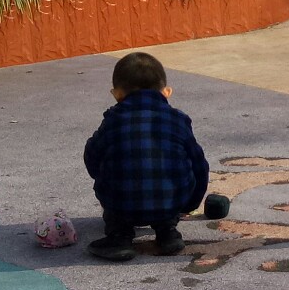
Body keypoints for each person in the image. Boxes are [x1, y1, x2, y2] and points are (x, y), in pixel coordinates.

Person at [83, 51, 210, 262]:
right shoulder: (178, 120)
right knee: (170, 180)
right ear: (166, 92)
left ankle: (119, 237)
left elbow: (92, 157)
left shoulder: (113, 120)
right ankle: (167, 233)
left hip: (121, 204)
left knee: (116, 198)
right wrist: (189, 204)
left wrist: (104, 178)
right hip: (170, 203)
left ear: (117, 94)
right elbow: (200, 165)